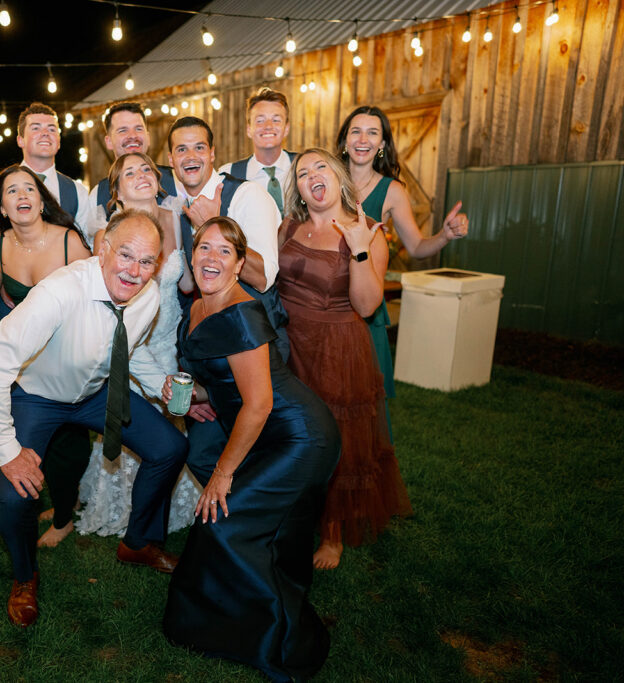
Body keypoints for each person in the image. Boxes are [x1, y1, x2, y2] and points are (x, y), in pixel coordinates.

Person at [0, 209, 188, 628]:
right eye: (126, 255)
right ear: (103, 249)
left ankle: (138, 542)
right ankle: (23, 575)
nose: (134, 271)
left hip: (96, 391)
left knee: (170, 447)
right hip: (38, 396)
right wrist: (5, 450)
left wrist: (158, 382)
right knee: (16, 496)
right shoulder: (59, 292)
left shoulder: (148, 295)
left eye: (147, 261)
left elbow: (128, 346)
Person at [162, 217, 340, 682]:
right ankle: (241, 618)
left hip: (299, 435)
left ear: (241, 265)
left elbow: (258, 405)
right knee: (258, 530)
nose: (212, 258)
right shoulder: (200, 307)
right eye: (204, 247)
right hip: (271, 429)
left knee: (224, 524)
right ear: (192, 254)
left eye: (225, 251)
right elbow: (230, 385)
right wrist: (195, 396)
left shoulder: (240, 313)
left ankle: (279, 639)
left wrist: (222, 475)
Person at [276, 148, 414, 570]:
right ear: (298, 189)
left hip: (338, 347)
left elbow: (369, 304)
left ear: (338, 177)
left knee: (336, 436)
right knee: (294, 433)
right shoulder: (287, 227)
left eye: (321, 167)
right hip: (290, 343)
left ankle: (332, 533)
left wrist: (357, 250)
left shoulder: (368, 231)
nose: (312, 176)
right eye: (302, 173)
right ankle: (290, 512)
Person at [0, 164, 91, 547]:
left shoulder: (69, 242)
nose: (22, 196)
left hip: (68, 356)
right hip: (25, 365)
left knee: (70, 444)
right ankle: (49, 504)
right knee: (32, 441)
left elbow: (92, 298)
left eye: (29, 189)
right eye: (12, 191)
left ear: (42, 202)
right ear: (1, 207)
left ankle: (63, 515)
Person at [71, 152, 199, 538]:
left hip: (167, 334)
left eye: (147, 169)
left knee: (170, 420)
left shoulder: (172, 217)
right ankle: (123, 505)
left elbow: (187, 284)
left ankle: (170, 501)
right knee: (130, 420)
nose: (142, 175)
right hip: (131, 339)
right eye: (130, 172)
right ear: (118, 191)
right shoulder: (107, 233)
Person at [165, 115, 288, 488]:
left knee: (260, 448)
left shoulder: (248, 195)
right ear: (170, 159)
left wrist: (216, 221)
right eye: (181, 148)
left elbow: (264, 275)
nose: (191, 155)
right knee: (201, 452)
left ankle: (256, 523)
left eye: (199, 147)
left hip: (254, 344)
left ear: (213, 153)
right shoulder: (175, 205)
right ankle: (234, 519)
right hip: (210, 356)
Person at [337, 105, 470, 439]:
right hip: (327, 302)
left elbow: (416, 247)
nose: (363, 139)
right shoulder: (327, 180)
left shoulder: (392, 191)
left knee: (362, 407)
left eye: (372, 132)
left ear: (382, 144)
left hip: (364, 310)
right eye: (356, 131)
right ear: (344, 140)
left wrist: (444, 236)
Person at [0, 102, 89, 326]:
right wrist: (6, 281)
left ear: (59, 140)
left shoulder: (76, 190)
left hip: (64, 313)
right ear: (20, 140)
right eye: (35, 127)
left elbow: (87, 245)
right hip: (12, 307)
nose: (45, 132)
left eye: (52, 128)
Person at [84, 101, 177, 241]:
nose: (132, 136)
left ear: (148, 137)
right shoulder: (97, 194)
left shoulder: (177, 179)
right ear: (108, 141)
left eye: (138, 129)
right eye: (123, 130)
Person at [219, 88, 295, 215]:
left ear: (286, 128)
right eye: (260, 120)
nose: (268, 126)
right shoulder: (227, 175)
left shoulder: (304, 168)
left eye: (276, 120)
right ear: (249, 129)